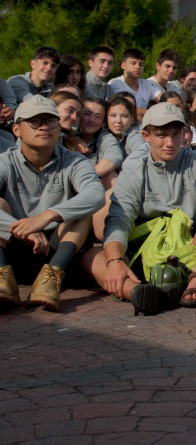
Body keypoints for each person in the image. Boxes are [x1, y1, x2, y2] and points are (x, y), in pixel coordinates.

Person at [83, 103, 196, 315]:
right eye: (161, 135)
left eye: (175, 134)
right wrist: (115, 260)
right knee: (92, 256)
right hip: (145, 250)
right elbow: (119, 218)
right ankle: (139, 293)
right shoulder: (134, 167)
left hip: (192, 248)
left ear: (184, 134)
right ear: (146, 135)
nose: (169, 143)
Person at [0, 96, 105, 311]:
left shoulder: (75, 160)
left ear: (59, 128)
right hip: (13, 245)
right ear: (17, 130)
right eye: (35, 121)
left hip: (58, 249)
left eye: (50, 121)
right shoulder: (4, 161)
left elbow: (96, 194)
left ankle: (50, 280)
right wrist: (21, 229)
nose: (44, 127)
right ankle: (2, 279)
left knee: (81, 210)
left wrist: (46, 216)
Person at [77, 98, 124, 188]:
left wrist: (88, 177)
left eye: (98, 116)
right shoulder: (70, 134)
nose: (91, 120)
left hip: (88, 185)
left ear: (103, 121)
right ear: (79, 114)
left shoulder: (104, 136)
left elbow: (115, 155)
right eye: (87, 114)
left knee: (109, 174)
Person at [109, 49, 156, 118]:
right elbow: (126, 108)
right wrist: (154, 112)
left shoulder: (147, 83)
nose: (137, 67)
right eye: (133, 63)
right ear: (123, 65)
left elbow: (163, 98)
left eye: (141, 64)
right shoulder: (115, 84)